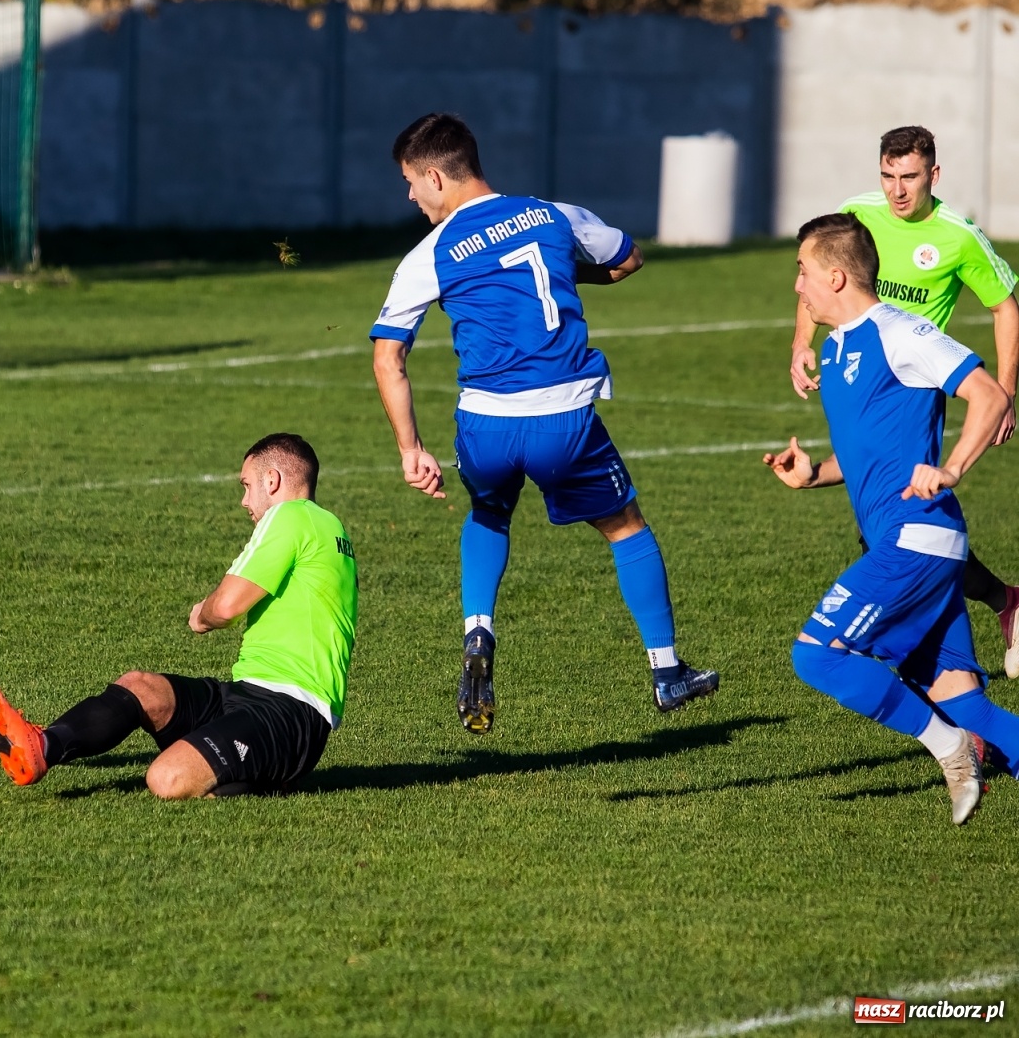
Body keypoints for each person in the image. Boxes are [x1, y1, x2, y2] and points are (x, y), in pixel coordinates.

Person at [368, 112, 718, 735]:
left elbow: (387, 356)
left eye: (410, 183)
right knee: (625, 526)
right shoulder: (556, 214)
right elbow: (628, 258)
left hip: (486, 426)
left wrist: (409, 448)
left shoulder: (429, 254)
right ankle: (666, 670)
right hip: (565, 419)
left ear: (435, 176)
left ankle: (479, 634)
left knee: (488, 514)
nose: (411, 197)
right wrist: (560, 269)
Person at [765, 213, 1019, 825]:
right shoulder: (838, 346)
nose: (796, 287)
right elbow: (874, 454)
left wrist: (953, 467)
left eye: (801, 272)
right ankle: (964, 735)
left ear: (834, 274)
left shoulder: (902, 332)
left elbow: (990, 394)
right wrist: (817, 473)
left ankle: (951, 751)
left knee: (816, 655)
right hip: (907, 541)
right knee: (964, 701)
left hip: (920, 537)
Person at [0, 433, 357, 798]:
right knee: (141, 688)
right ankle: (41, 746)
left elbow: (224, 607)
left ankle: (270, 780)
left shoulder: (290, 517)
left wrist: (201, 616)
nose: (244, 501)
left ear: (272, 480)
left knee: (165, 778)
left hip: (287, 712)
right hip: (248, 694)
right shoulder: (330, 528)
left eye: (246, 485)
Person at [788, 125, 1019, 676]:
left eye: (909, 177)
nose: (897, 190)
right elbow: (817, 274)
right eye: (888, 176)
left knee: (901, 531)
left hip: (913, 386)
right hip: (861, 370)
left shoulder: (958, 234)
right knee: (895, 530)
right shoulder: (857, 213)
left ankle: (935, 667)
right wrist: (801, 342)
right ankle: (991, 620)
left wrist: (1004, 394)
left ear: (933, 175)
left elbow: (1006, 306)